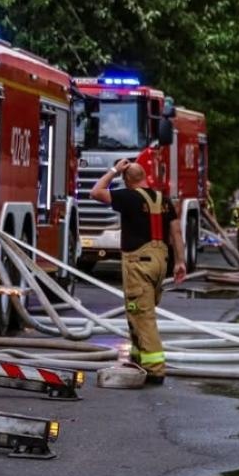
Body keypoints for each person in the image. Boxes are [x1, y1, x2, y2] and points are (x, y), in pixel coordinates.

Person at [89, 157, 186, 384]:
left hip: (138, 262)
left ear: (126, 180)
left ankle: (154, 369)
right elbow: (176, 233)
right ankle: (138, 359)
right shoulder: (164, 200)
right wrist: (180, 262)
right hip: (160, 261)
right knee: (139, 312)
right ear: (144, 177)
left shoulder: (128, 196)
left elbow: (95, 192)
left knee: (142, 315)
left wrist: (114, 170)